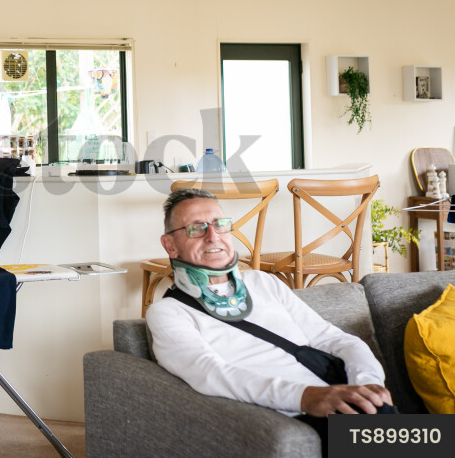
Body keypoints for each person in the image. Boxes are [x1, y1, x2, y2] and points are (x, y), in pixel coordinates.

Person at [145, 188, 395, 455]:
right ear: (170, 245)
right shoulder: (168, 313)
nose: (213, 236)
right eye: (196, 228)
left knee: (433, 439)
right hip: (295, 412)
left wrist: (369, 382)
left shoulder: (262, 282)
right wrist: (307, 396)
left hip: (344, 394)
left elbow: (333, 338)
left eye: (220, 225)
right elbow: (211, 373)